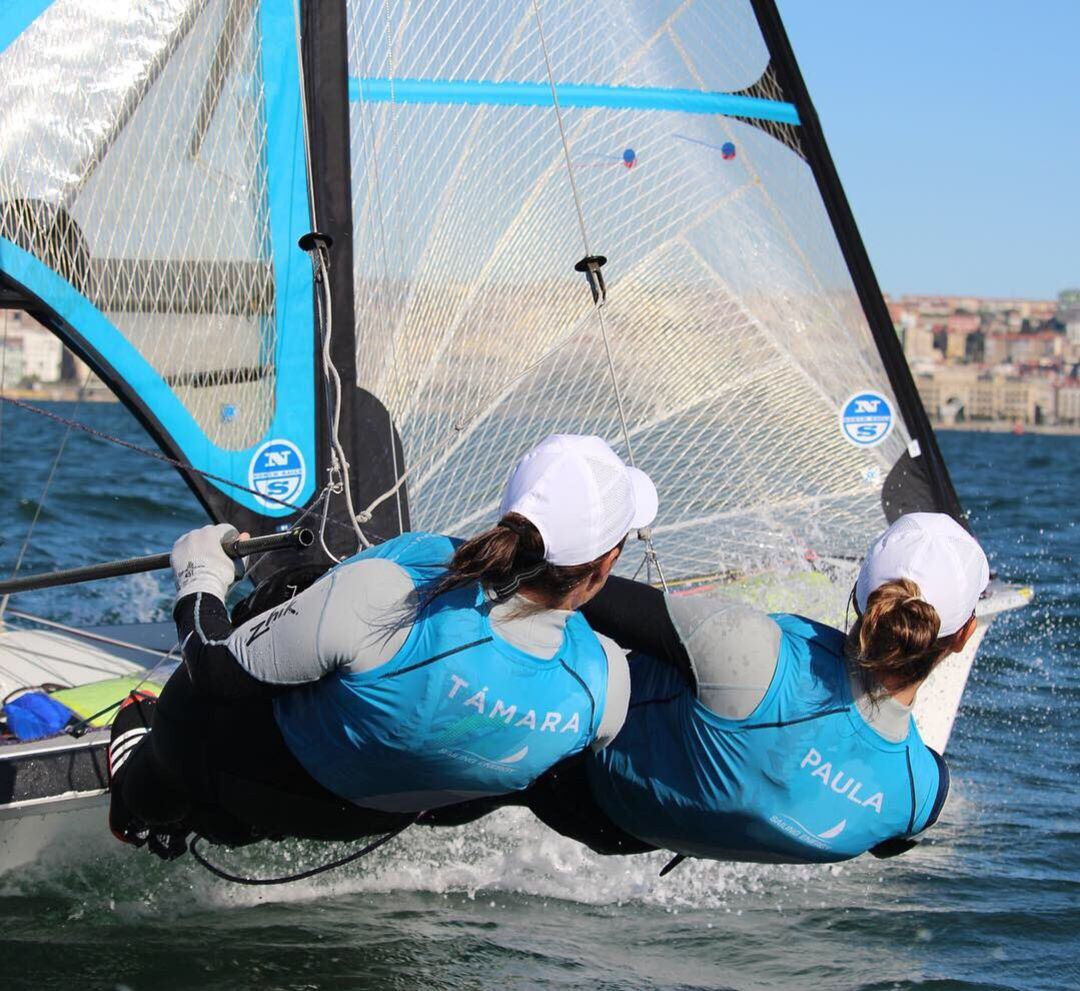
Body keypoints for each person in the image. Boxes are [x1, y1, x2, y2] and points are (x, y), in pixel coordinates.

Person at [107, 434, 658, 856]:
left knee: (288, 595)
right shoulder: (603, 686)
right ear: (609, 561)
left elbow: (212, 669)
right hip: (358, 819)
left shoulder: (384, 594)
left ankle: (140, 800)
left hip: (239, 775)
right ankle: (216, 821)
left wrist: (201, 578)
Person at [427, 512, 989, 866]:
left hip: (569, 775)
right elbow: (881, 832)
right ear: (962, 637)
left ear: (860, 596)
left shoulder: (753, 650)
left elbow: (572, 586)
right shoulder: (919, 797)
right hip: (635, 836)